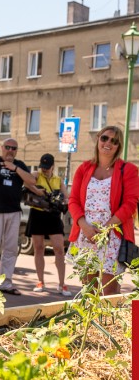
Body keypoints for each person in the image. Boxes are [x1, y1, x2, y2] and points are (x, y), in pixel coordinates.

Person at [67, 126, 139, 295]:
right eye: (105, 138)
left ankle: (109, 322)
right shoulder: (84, 168)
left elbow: (130, 204)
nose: (108, 143)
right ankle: (90, 323)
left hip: (112, 236)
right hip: (86, 234)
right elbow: (73, 200)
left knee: (108, 293)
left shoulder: (128, 170)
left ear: (118, 146)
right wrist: (84, 225)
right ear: (98, 138)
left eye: (114, 141)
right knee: (88, 292)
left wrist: (106, 228)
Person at [0, 139, 36, 295]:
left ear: (16, 150)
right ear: (2, 148)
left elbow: (32, 181)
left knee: (10, 248)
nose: (10, 150)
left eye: (14, 148)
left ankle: (5, 283)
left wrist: (14, 168)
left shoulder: (20, 165)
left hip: (14, 212)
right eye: (7, 147)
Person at [24, 153, 71, 296]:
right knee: (38, 248)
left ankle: (62, 284)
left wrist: (62, 202)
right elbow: (26, 181)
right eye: (42, 167)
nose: (44, 170)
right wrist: (37, 190)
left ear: (53, 166)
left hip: (53, 216)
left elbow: (67, 198)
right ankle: (40, 282)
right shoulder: (36, 175)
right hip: (37, 214)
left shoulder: (58, 180)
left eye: (47, 167)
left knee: (59, 248)